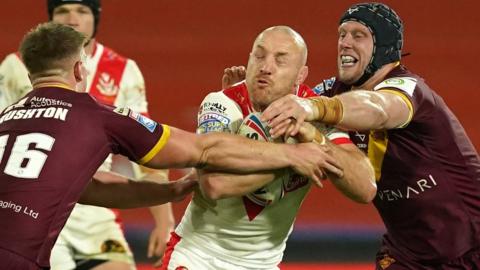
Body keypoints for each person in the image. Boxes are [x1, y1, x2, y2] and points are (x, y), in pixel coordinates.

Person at [0, 22, 342, 270]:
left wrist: (172, 191)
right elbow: (202, 152)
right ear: (79, 68)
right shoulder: (95, 115)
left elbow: (90, 189)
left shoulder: (6, 116)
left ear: (31, 77)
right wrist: (291, 153)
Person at [261, 3, 480, 269]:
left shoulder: (409, 88)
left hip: (471, 247)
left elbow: (378, 108)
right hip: (407, 255)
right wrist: (243, 97)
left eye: (358, 35)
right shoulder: (333, 91)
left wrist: (313, 107)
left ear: (383, 48)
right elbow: (287, 104)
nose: (345, 43)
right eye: (342, 34)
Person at [160, 26, 376, 270]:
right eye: (259, 56)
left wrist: (313, 137)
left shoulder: (313, 113)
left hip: (264, 264)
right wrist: (292, 159)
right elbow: (214, 184)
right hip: (199, 257)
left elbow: (365, 188)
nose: (266, 66)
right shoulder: (223, 104)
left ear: (300, 75)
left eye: (280, 60)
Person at [0, 1, 173, 269]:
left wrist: (165, 221)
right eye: (62, 11)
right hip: (35, 207)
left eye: (82, 11)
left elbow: (145, 152)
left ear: (95, 18)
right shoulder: (16, 66)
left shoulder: (124, 70)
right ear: (49, 18)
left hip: (96, 209)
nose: (71, 18)